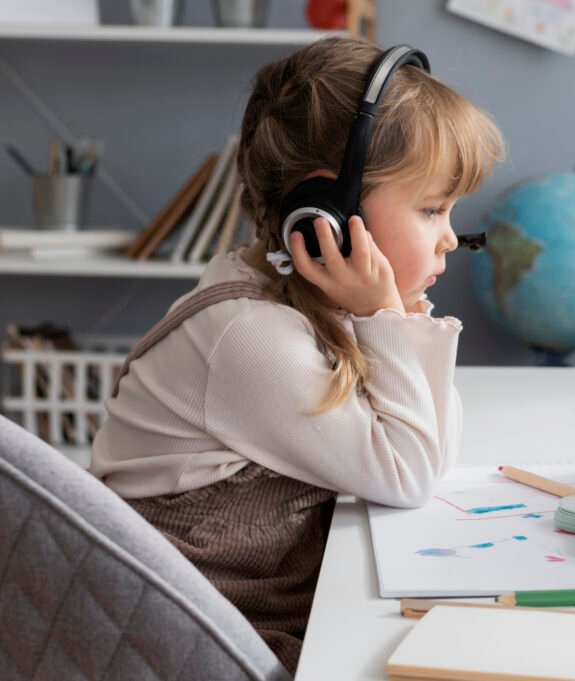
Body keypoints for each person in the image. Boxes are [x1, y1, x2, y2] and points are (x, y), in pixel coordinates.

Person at [89, 37, 504, 673]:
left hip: (260, 602)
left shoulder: (297, 295)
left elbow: (435, 448)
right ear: (326, 217)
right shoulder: (249, 336)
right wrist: (383, 313)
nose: (451, 236)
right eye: (431, 210)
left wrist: (389, 311)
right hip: (196, 635)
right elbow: (409, 475)